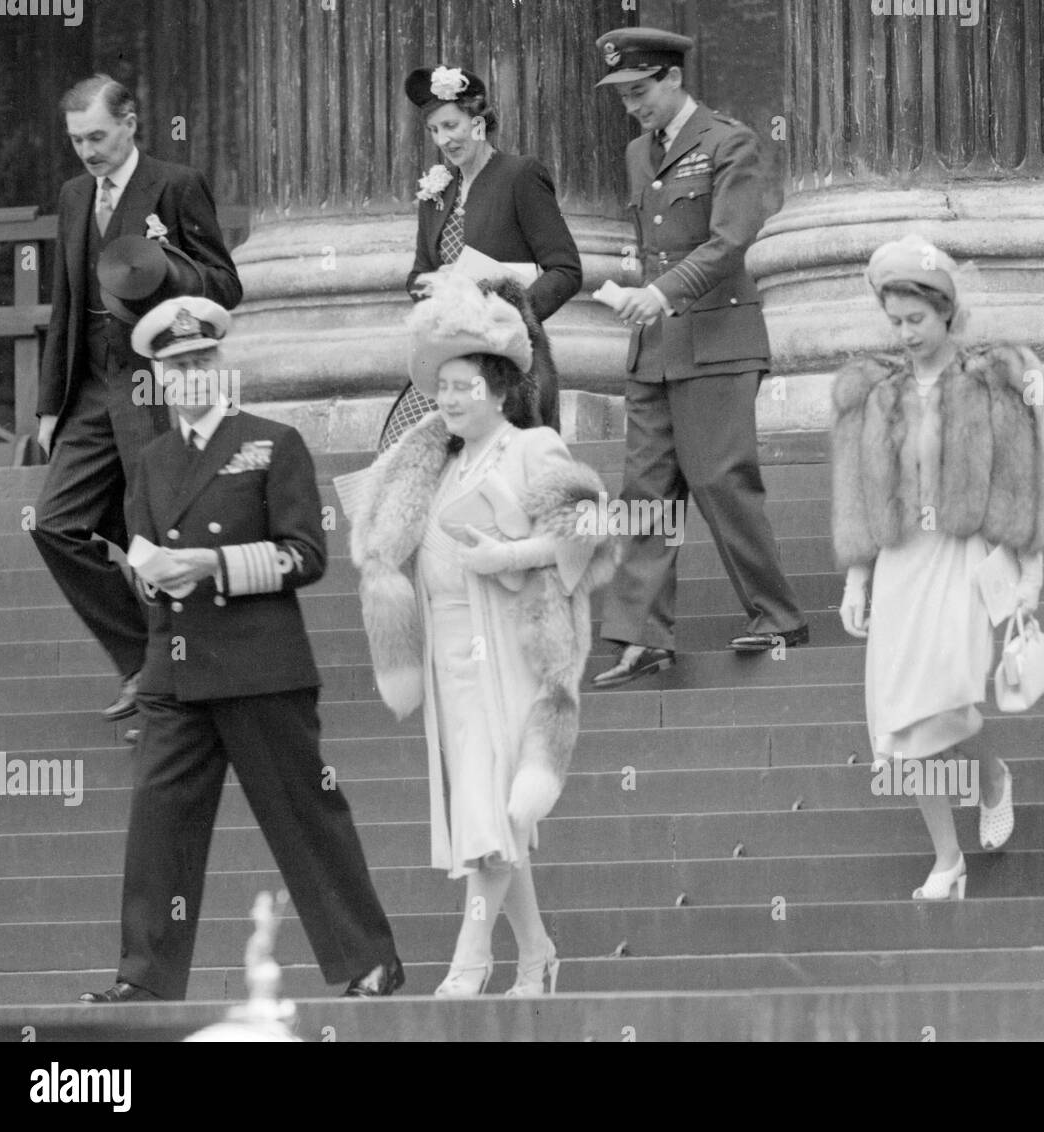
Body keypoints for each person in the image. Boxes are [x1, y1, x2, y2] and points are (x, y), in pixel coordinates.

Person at [79, 297, 403, 1003]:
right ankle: (144, 976)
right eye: (177, 367)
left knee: (307, 820)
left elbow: (305, 555)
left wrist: (211, 566)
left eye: (202, 361)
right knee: (158, 829)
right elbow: (143, 550)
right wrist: (148, 578)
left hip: (260, 664)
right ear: (159, 380)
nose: (192, 375)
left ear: (220, 369)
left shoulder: (271, 442)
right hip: (177, 668)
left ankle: (369, 960)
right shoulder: (152, 460)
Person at [350, 273, 614, 997]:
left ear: (498, 388)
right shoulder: (435, 463)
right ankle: (536, 951)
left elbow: (590, 533)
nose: (450, 398)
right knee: (487, 809)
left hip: (515, 647)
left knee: (489, 809)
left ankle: (472, 958)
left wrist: (508, 556)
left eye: (465, 385)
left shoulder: (533, 448)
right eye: (442, 387)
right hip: (451, 654)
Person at [831, 234, 1044, 899]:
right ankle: (947, 858)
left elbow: (1022, 480)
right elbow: (859, 487)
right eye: (894, 322)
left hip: (964, 556)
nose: (903, 334)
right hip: (901, 559)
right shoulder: (875, 391)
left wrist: (1028, 574)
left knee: (950, 701)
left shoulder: (992, 379)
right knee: (900, 722)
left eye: (916, 320)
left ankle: (991, 777)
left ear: (945, 311)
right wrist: (857, 578)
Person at [590, 27, 807, 689]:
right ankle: (642, 637)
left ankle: (778, 616)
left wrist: (660, 292)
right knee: (646, 493)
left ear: (673, 77)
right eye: (623, 96)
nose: (633, 106)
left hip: (717, 339)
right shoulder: (637, 152)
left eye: (640, 90)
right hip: (655, 348)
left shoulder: (728, 141)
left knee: (718, 479)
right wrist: (642, 294)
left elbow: (731, 240)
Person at [31, 74, 242, 723]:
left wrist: (170, 264)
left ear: (129, 123)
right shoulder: (73, 196)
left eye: (97, 136)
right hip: (90, 391)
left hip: (157, 387)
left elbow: (225, 284)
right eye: (77, 140)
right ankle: (142, 663)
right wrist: (47, 408)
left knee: (160, 531)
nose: (88, 151)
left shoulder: (174, 185)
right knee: (55, 524)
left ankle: (177, 682)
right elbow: (65, 304)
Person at [376, 64, 582, 450]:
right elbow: (417, 275)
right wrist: (440, 286)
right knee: (399, 449)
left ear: (478, 122)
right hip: (447, 357)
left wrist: (510, 314)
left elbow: (567, 270)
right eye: (435, 130)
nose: (444, 139)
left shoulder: (520, 175)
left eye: (451, 125)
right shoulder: (436, 193)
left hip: (508, 361)